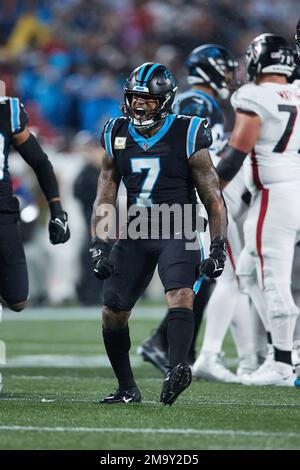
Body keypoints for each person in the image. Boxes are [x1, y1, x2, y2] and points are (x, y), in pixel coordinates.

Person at [90, 62, 227, 405]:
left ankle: (177, 367)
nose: (139, 105)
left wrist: (218, 245)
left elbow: (212, 195)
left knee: (181, 294)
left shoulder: (188, 131)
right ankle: (127, 388)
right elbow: (106, 192)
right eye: (135, 98)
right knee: (112, 311)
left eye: (148, 100)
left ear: (166, 100)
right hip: (136, 229)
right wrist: (100, 243)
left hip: (178, 226)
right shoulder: (116, 131)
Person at [217, 33, 299, 386]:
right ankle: (281, 351)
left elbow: (237, 152)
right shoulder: (297, 91)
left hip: (272, 194)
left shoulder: (253, 95)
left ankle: (283, 362)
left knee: (273, 278)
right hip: (292, 188)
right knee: (249, 271)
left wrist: (209, 190)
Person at [0, 94, 70, 391]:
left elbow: (40, 162)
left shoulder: (7, 112)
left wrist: (56, 209)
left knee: (17, 298)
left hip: (2, 214)